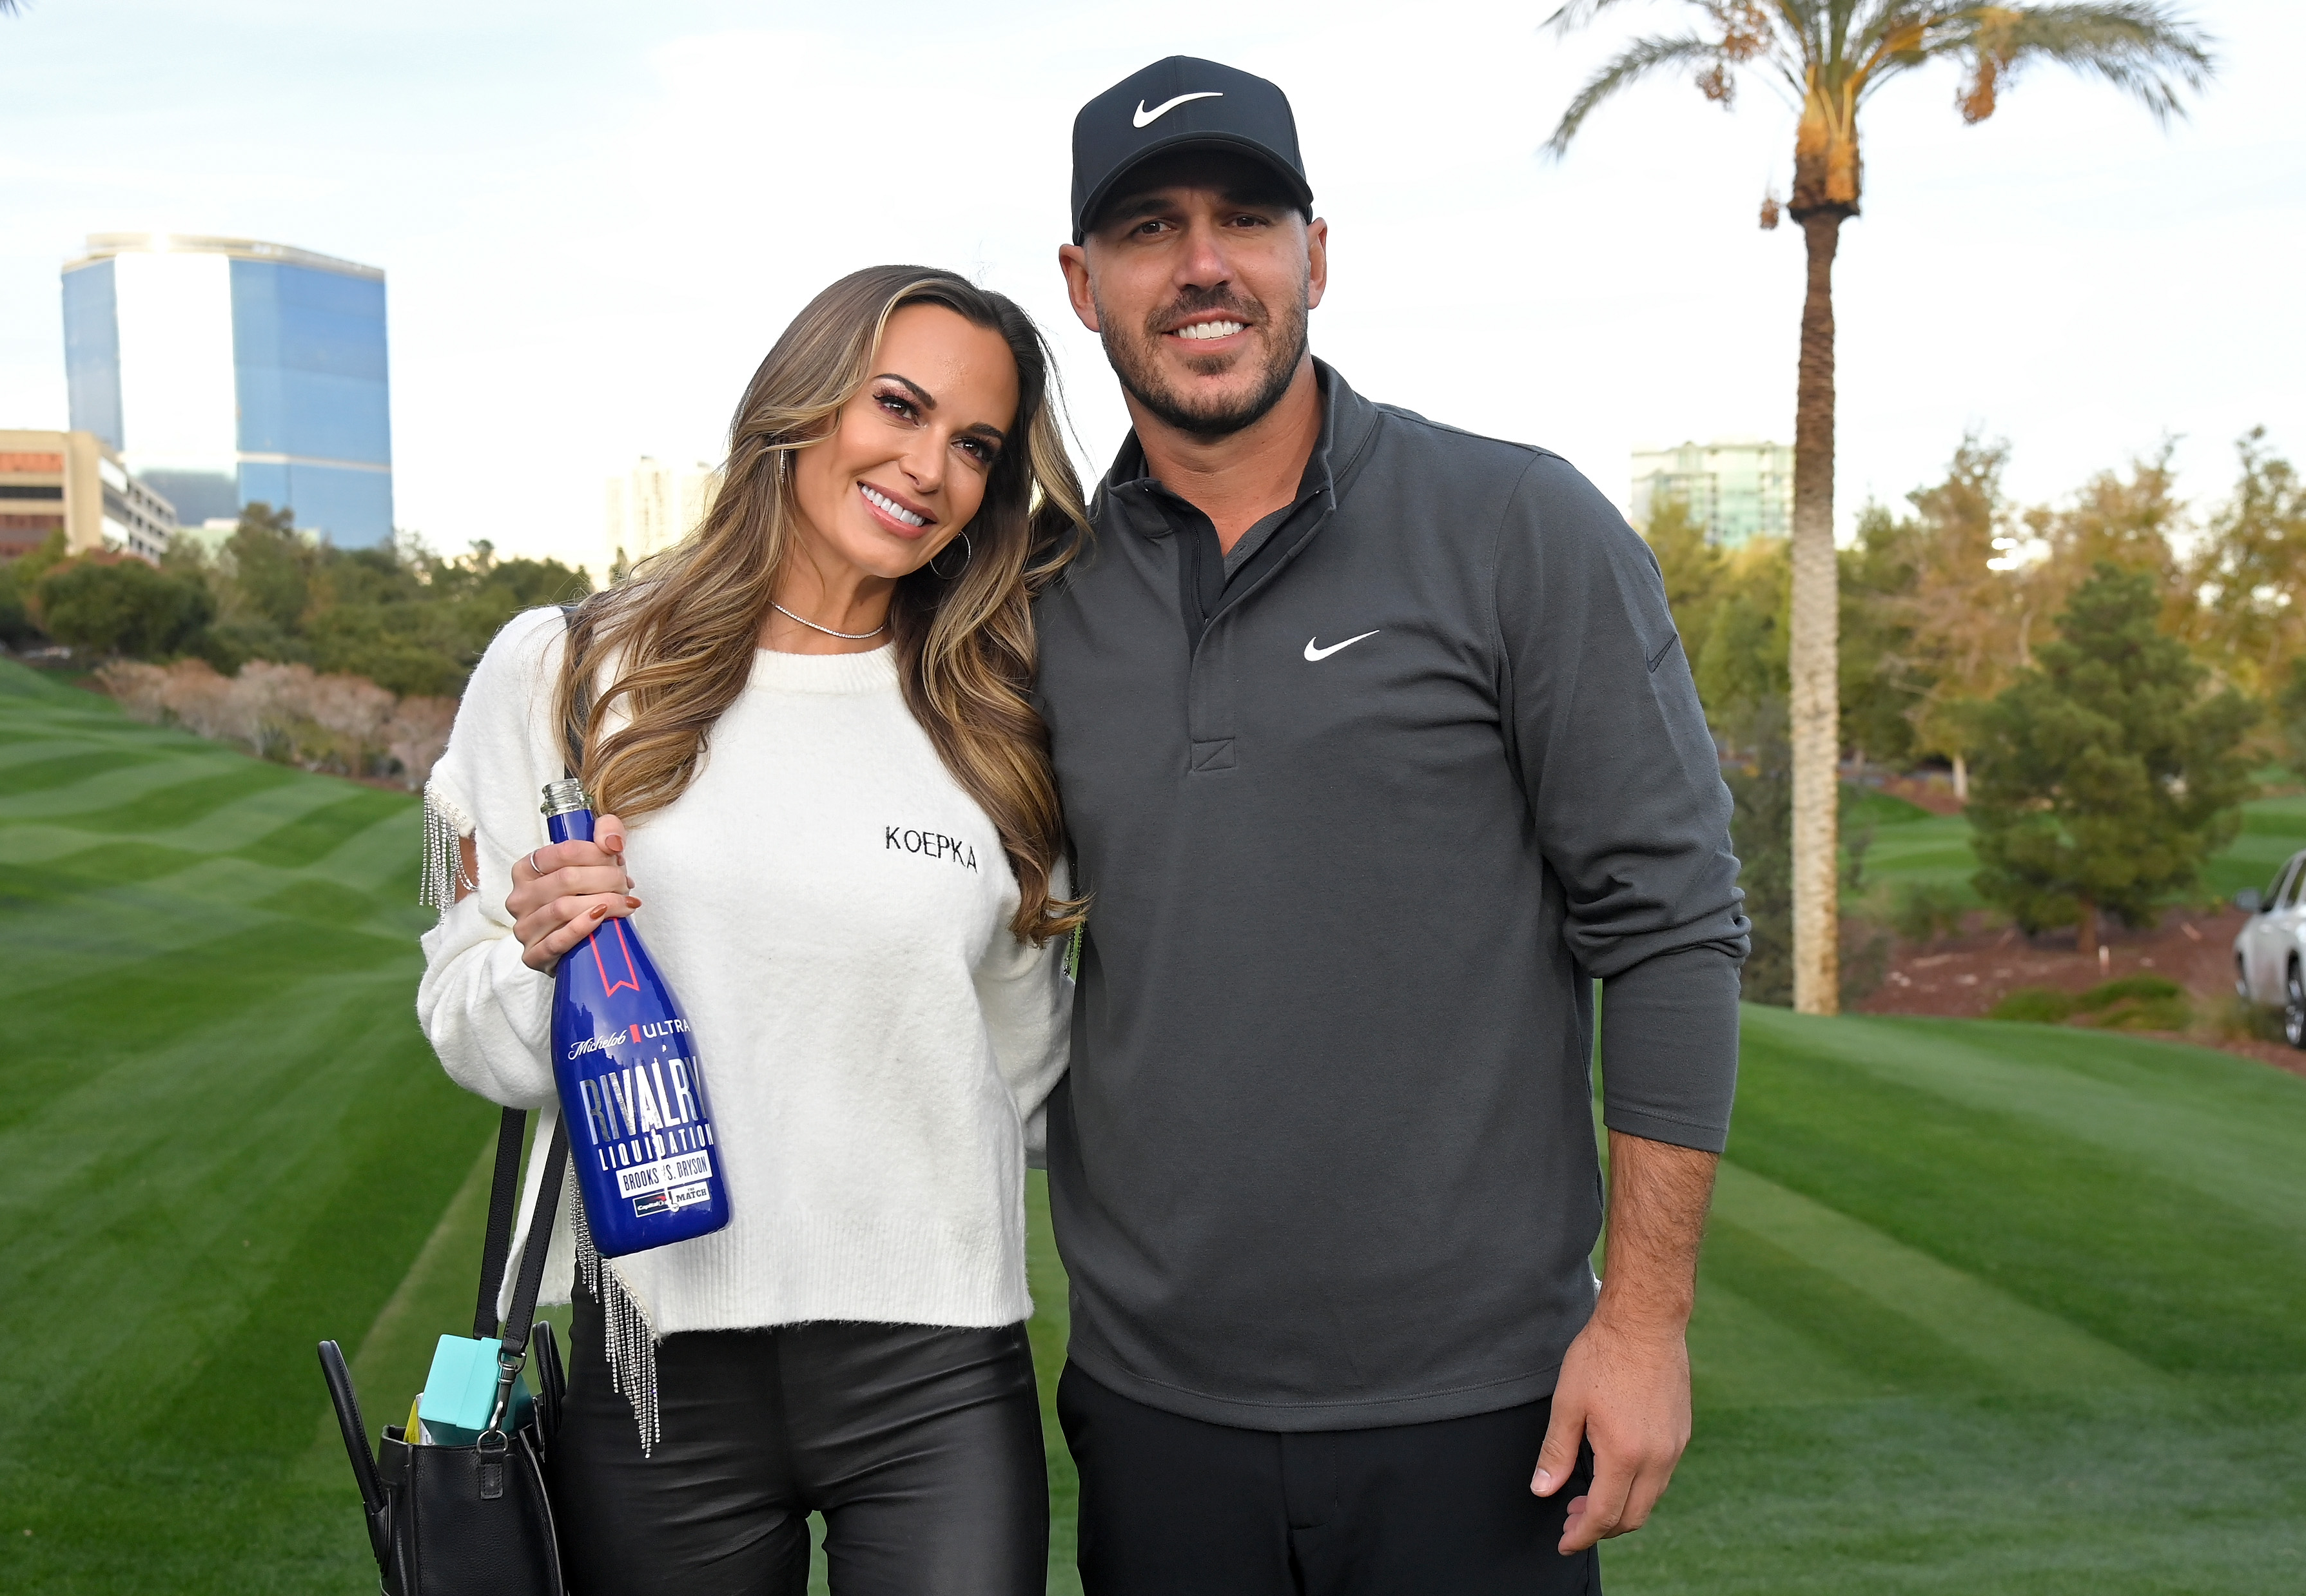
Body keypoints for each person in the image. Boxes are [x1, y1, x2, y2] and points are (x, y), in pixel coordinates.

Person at [1033, 57, 1750, 1593]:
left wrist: (1643, 1320)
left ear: (1319, 254)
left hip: (1482, 1413)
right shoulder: (1033, 595)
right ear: (1084, 285)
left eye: (1248, 218)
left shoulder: (1517, 525)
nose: (1205, 263)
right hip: (1157, 1412)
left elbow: (1674, 921)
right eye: (1152, 230)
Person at [416, 264, 1087, 1596]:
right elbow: (465, 1020)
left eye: (975, 445)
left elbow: (1023, 1070)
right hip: (653, 1364)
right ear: (803, 399)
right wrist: (540, 958)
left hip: (939, 1367)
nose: (928, 466)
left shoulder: (1000, 712)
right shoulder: (564, 670)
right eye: (897, 406)